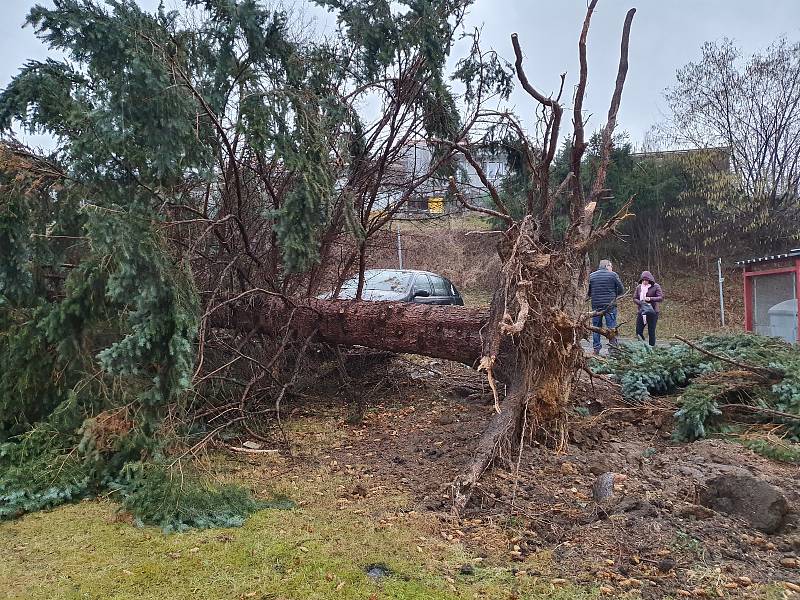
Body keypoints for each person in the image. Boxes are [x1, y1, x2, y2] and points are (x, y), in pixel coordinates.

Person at [588, 259, 624, 355]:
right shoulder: (613, 275)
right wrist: (614, 295)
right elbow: (621, 289)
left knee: (596, 328)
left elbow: (589, 292)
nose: (612, 268)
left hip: (596, 306)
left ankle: (596, 349)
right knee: (611, 327)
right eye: (611, 266)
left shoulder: (591, 276)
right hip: (610, 305)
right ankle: (613, 349)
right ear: (607, 266)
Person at [633, 271, 664, 346]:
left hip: (653, 312)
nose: (645, 282)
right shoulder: (639, 287)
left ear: (650, 280)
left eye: (646, 280)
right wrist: (641, 303)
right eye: (643, 280)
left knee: (651, 332)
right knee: (638, 331)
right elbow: (634, 298)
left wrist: (650, 299)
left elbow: (661, 298)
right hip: (642, 311)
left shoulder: (656, 286)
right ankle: (643, 347)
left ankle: (651, 349)